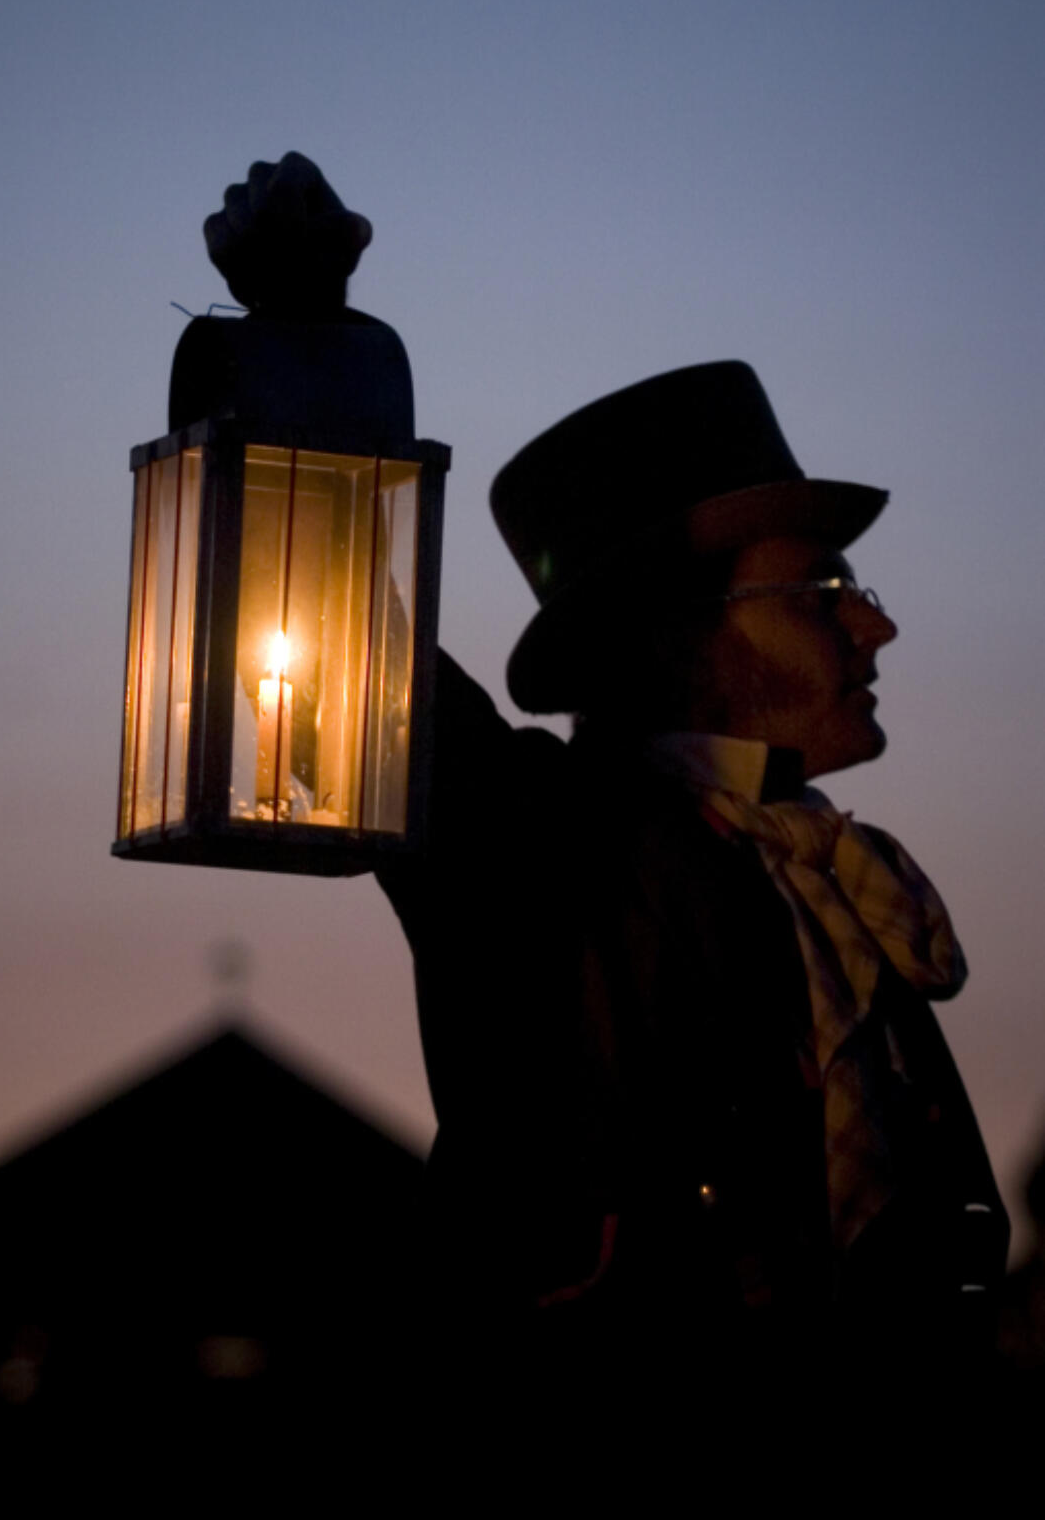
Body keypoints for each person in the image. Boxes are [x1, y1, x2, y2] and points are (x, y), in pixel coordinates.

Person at [207, 156, 1008, 1456]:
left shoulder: (849, 890)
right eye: (821, 591)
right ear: (675, 635)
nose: (874, 622)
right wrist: (302, 346)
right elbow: (348, 650)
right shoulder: (540, 839)